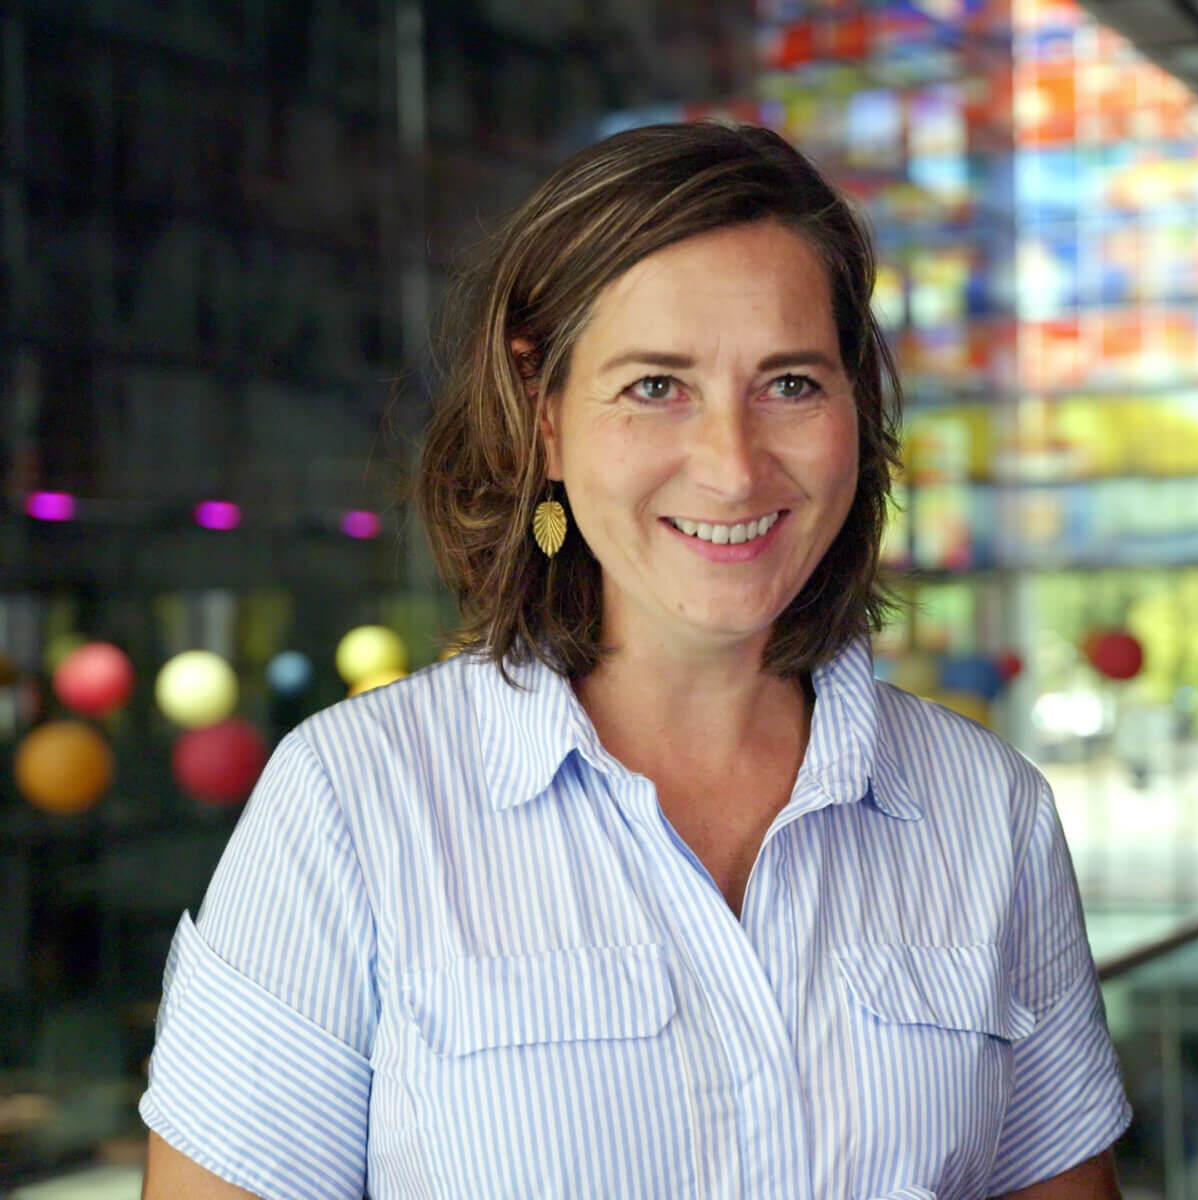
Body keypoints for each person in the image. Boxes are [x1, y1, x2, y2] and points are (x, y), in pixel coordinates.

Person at [138, 123, 1130, 1199]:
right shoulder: (351, 802)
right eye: (657, 385)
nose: (732, 467)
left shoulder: (990, 813)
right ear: (544, 420)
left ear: (857, 411)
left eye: (790, 384)